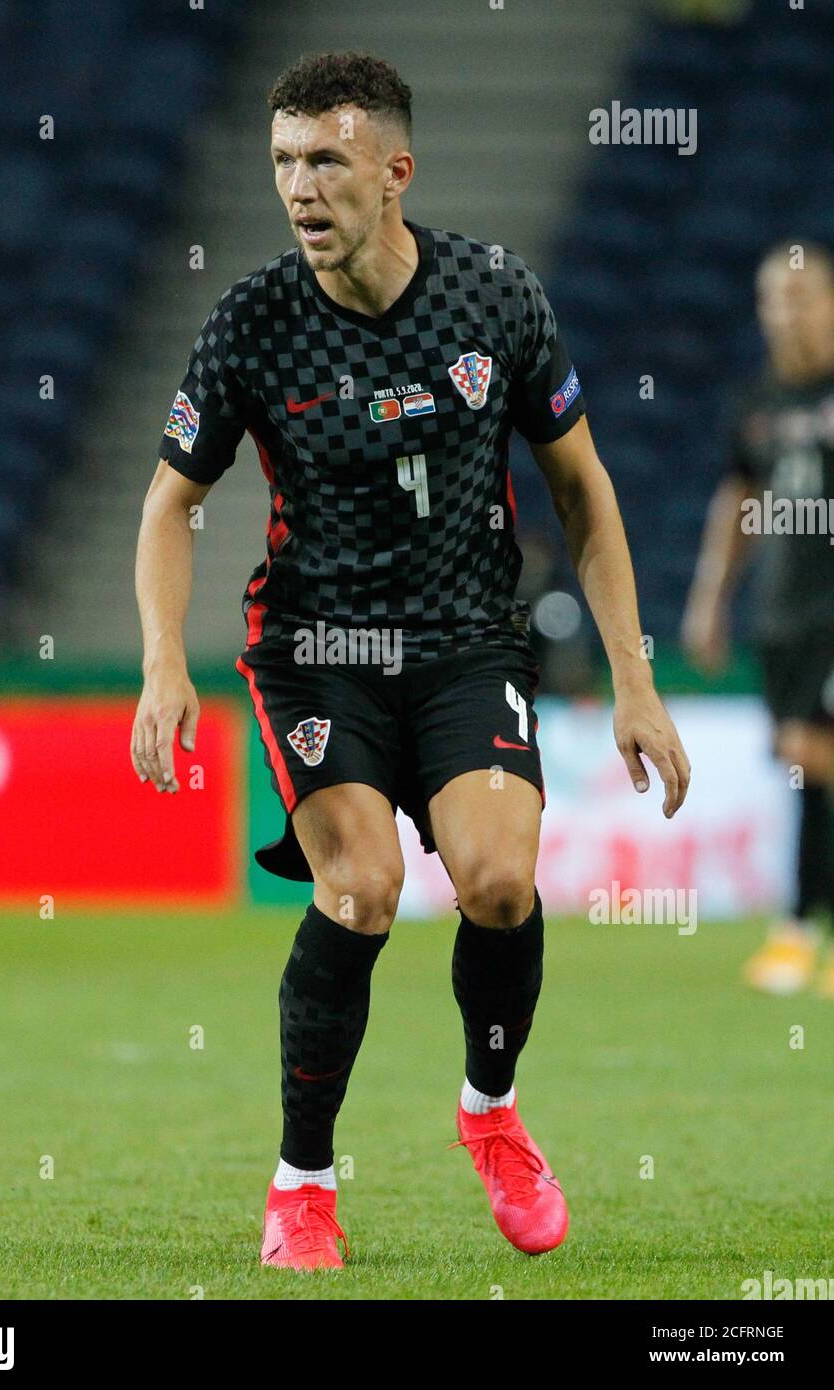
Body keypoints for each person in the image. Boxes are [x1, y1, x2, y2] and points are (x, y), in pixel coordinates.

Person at [133, 51, 690, 1269]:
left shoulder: (493, 300)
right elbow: (167, 504)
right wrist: (162, 663)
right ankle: (301, 1185)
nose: (299, 187)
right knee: (360, 890)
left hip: (462, 640)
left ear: (394, 170)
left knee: (497, 881)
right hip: (314, 653)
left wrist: (634, 679)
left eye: (324, 160)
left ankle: (488, 1111)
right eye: (281, 163)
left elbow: (583, 492)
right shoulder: (253, 324)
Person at [683, 243, 834, 997]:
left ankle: (799, 925)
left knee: (817, 752)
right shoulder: (758, 403)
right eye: (773, 297)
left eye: (803, 294)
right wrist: (710, 597)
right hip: (784, 612)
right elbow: (737, 501)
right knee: (803, 765)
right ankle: (804, 928)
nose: (787, 311)